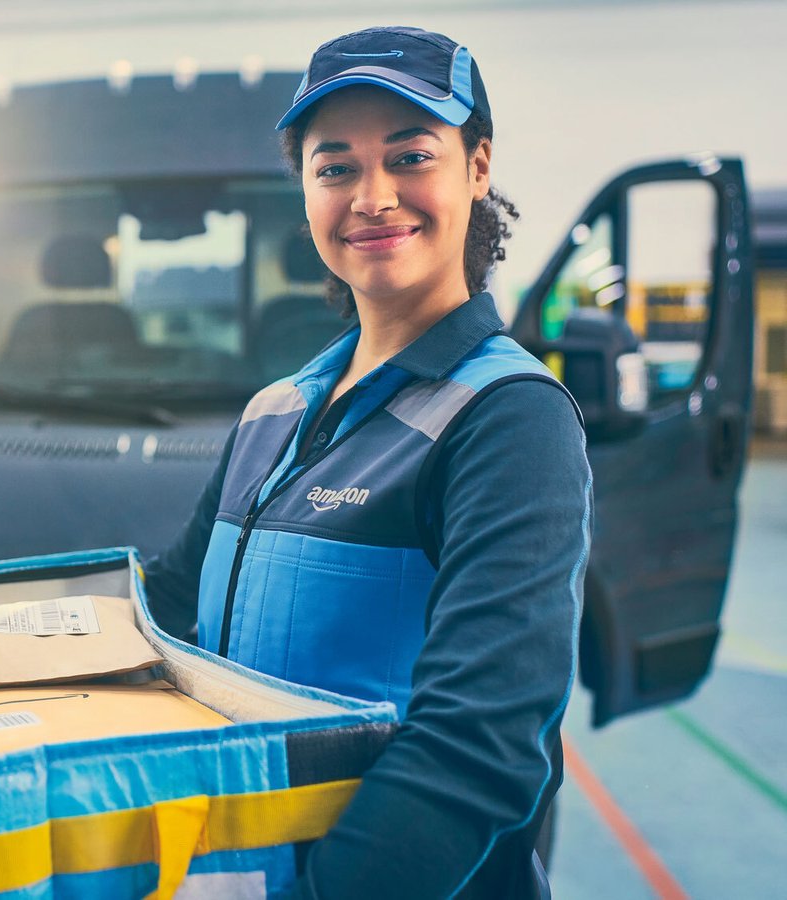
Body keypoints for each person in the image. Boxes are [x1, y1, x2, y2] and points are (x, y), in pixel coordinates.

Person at [143, 27, 590, 899]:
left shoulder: (509, 418)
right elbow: (165, 607)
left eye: (410, 156)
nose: (373, 196)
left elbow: (479, 744)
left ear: (476, 167)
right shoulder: (274, 411)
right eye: (335, 166)